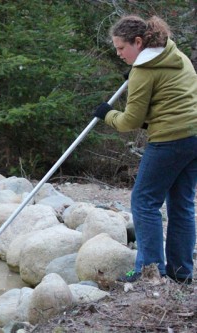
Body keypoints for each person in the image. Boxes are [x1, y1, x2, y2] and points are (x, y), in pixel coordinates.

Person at [93, 14, 197, 284]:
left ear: (138, 42)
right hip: (194, 137)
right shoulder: (176, 56)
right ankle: (180, 273)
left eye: (121, 48)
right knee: (182, 205)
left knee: (144, 202)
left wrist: (107, 114)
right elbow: (173, 99)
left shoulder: (143, 70)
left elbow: (130, 122)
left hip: (169, 140)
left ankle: (150, 272)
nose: (118, 54)